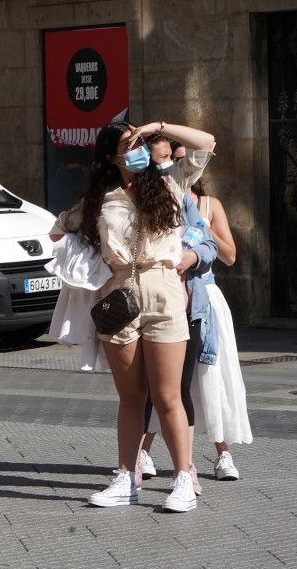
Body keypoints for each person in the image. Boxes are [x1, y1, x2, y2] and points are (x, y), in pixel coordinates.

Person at [51, 119, 215, 513]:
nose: (140, 147)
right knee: (130, 397)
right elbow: (59, 231)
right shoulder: (100, 199)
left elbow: (205, 142)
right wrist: (88, 261)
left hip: (164, 292)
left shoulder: (169, 182)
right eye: (130, 143)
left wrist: (159, 126)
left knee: (167, 396)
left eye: (142, 141)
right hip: (119, 295)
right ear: (113, 156)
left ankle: (182, 479)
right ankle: (126, 477)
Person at [136, 137, 219, 496]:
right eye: (159, 160)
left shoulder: (181, 196)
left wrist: (191, 256)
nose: (166, 167)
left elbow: (210, 245)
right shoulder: (124, 196)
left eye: (171, 159)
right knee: (140, 393)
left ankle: (185, 469)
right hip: (139, 306)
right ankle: (133, 462)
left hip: (185, 306)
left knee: (176, 391)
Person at [186, 169, 251, 480]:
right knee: (166, 378)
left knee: (213, 374)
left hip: (207, 296)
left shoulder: (210, 204)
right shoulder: (158, 203)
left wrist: (203, 230)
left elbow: (230, 256)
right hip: (172, 296)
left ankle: (223, 453)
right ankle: (143, 452)